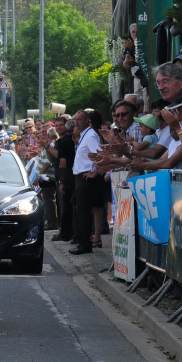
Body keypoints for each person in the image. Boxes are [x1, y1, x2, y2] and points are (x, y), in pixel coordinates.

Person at [69, 109, 103, 255]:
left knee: (83, 211)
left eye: (80, 119)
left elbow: (99, 154)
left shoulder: (90, 135)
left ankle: (85, 243)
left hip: (85, 177)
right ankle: (82, 240)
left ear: (87, 121)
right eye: (75, 119)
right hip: (79, 176)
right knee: (79, 210)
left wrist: (94, 172)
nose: (77, 122)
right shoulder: (84, 135)